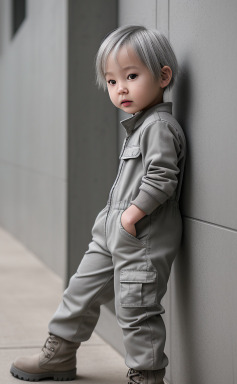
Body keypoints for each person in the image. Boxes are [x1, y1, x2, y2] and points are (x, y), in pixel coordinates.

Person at [10, 25, 186, 384]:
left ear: (163, 76)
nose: (120, 88)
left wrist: (131, 217)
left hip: (141, 237)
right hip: (113, 231)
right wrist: (113, 222)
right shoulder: (140, 127)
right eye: (111, 81)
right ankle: (59, 352)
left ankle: (147, 376)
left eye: (131, 76)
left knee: (137, 309)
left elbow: (162, 178)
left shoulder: (160, 127)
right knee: (80, 290)